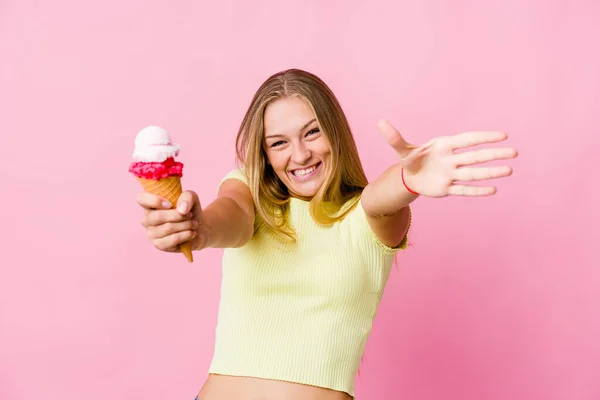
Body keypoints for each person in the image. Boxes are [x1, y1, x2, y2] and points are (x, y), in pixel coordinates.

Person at [136, 69, 518, 400]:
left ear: (335, 133)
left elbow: (379, 199)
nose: (300, 155)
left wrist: (408, 179)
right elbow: (228, 217)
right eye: (279, 142)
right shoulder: (249, 197)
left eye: (312, 132)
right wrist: (197, 228)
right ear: (265, 154)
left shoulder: (366, 219)